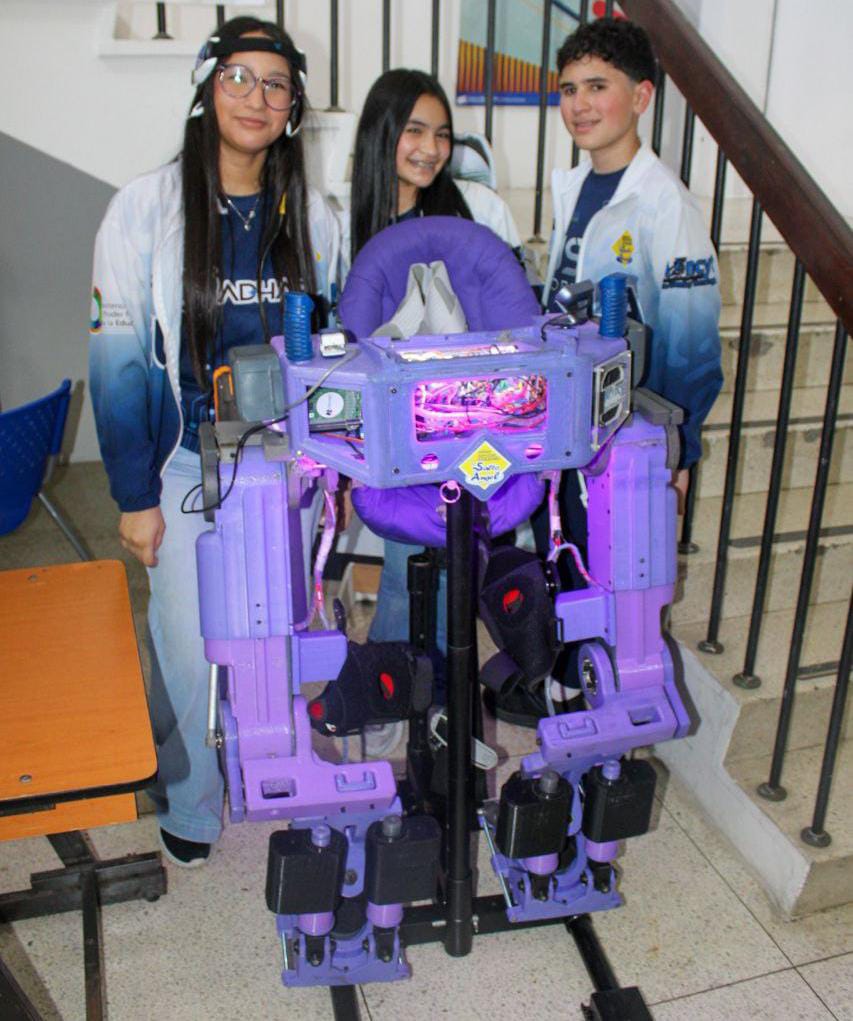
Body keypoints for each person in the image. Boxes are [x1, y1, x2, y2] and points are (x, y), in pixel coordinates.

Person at [88, 16, 340, 866]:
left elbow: (333, 350)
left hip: (285, 465)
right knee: (188, 645)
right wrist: (134, 496)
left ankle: (274, 762)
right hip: (186, 462)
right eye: (238, 77)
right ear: (206, 90)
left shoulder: (313, 217)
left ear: (293, 106)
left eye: (275, 84)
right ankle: (191, 802)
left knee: (277, 629)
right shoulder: (143, 210)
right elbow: (119, 362)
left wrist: (332, 465)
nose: (254, 97)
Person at [493, 17, 724, 727]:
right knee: (562, 557)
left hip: (624, 437)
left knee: (611, 574)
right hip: (566, 420)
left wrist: (675, 454)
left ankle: (606, 717)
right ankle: (563, 689)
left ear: (641, 96)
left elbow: (692, 346)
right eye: (568, 89)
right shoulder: (575, 187)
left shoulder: (664, 205)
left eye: (598, 86)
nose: (580, 104)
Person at [338, 69, 526, 755]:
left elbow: (517, 313)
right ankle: (400, 699)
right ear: (381, 133)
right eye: (414, 130)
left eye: (442, 133)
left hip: (475, 422)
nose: (431, 148)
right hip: (392, 432)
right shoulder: (343, 220)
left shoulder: (477, 210)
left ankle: (437, 707)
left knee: (453, 562)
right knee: (407, 565)